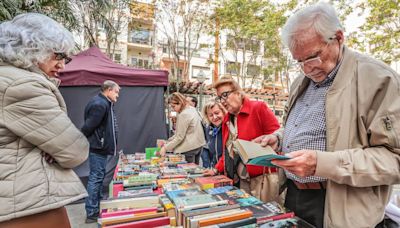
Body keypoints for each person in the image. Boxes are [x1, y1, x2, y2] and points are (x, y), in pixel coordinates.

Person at [254, 2, 400, 227]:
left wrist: (322, 164)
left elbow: (394, 160)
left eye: (312, 57)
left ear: (338, 38)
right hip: (294, 194)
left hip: (342, 206)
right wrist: (280, 138)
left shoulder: (379, 80)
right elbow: (300, 127)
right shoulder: (300, 83)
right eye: (298, 61)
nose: (307, 68)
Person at [0, 13, 89, 227]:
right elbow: (75, 150)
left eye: (65, 59)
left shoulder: (8, 78)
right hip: (27, 201)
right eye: (58, 56)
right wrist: (51, 150)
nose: (62, 66)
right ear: (32, 47)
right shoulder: (22, 85)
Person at [204, 77, 280, 202]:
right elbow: (227, 151)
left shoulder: (258, 108)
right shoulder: (227, 119)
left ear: (238, 93)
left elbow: (278, 139)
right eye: (219, 97)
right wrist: (216, 169)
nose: (222, 101)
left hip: (263, 179)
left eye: (225, 95)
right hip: (241, 179)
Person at [81, 80, 120, 223]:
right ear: (108, 90)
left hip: (100, 148)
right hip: (97, 148)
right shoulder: (100, 104)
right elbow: (87, 127)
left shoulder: (104, 103)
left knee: (98, 177)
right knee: (96, 178)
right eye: (116, 92)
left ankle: (96, 207)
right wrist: (98, 141)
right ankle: (92, 212)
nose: (117, 95)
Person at [159, 92, 205, 164]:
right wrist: (169, 141)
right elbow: (183, 132)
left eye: (173, 106)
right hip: (198, 145)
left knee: (189, 172)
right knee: (196, 171)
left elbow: (179, 137)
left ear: (180, 102)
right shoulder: (192, 109)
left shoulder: (183, 114)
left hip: (188, 148)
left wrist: (165, 147)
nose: (173, 109)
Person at [201, 101, 226, 168]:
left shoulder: (229, 127)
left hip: (229, 170)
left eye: (217, 113)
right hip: (217, 168)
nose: (215, 117)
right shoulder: (209, 128)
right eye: (211, 115)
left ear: (223, 111)